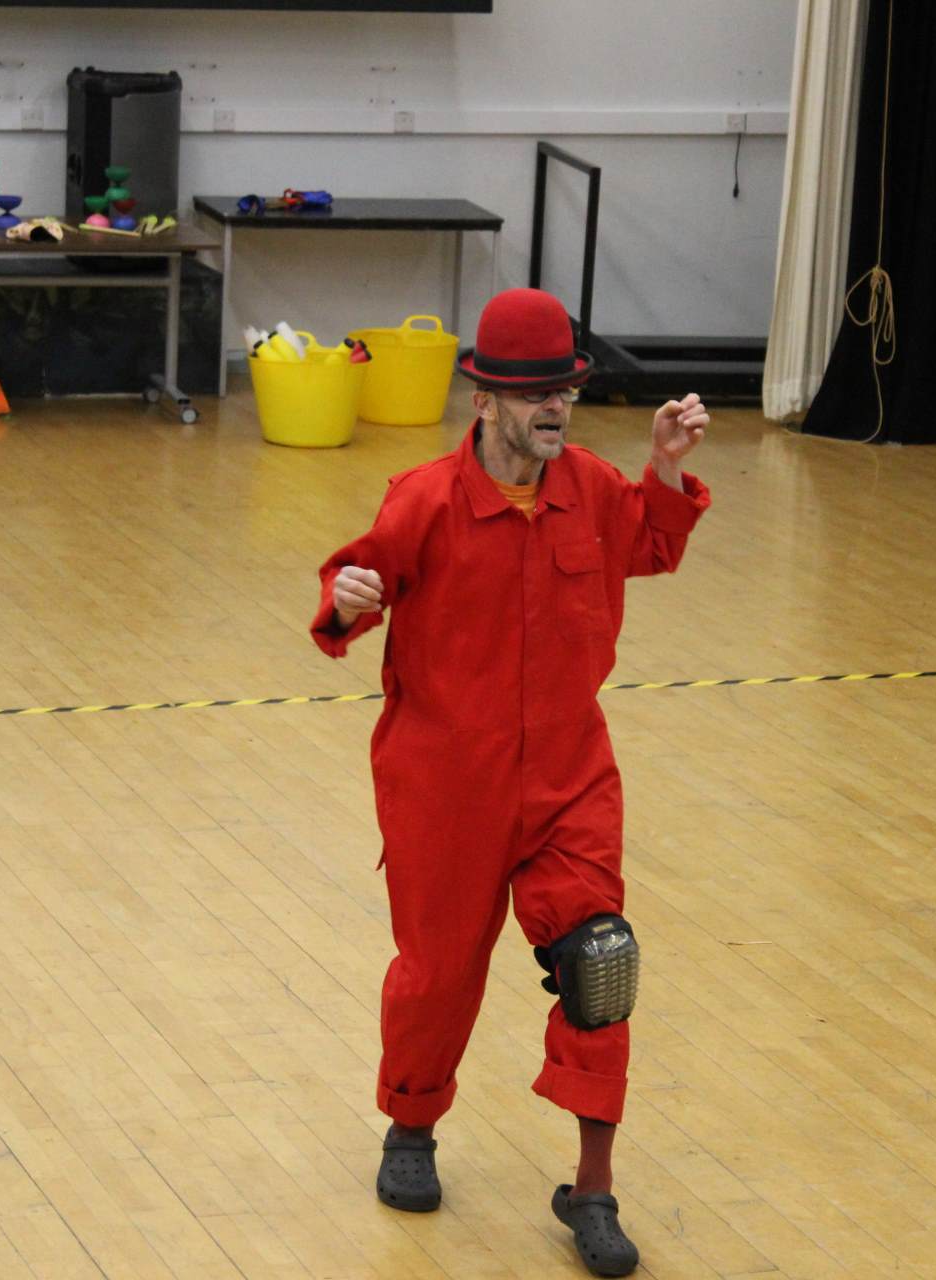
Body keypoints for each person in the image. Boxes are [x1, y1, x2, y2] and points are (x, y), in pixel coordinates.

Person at [310, 287, 711, 1277]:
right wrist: (348, 599)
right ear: (485, 400)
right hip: (445, 782)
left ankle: (592, 1189)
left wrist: (665, 468)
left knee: (601, 962)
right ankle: (411, 1123)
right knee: (439, 973)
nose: (555, 407)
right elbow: (355, 588)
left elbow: (653, 543)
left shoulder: (596, 490)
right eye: (534, 393)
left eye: (564, 389)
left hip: (570, 775)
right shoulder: (422, 501)